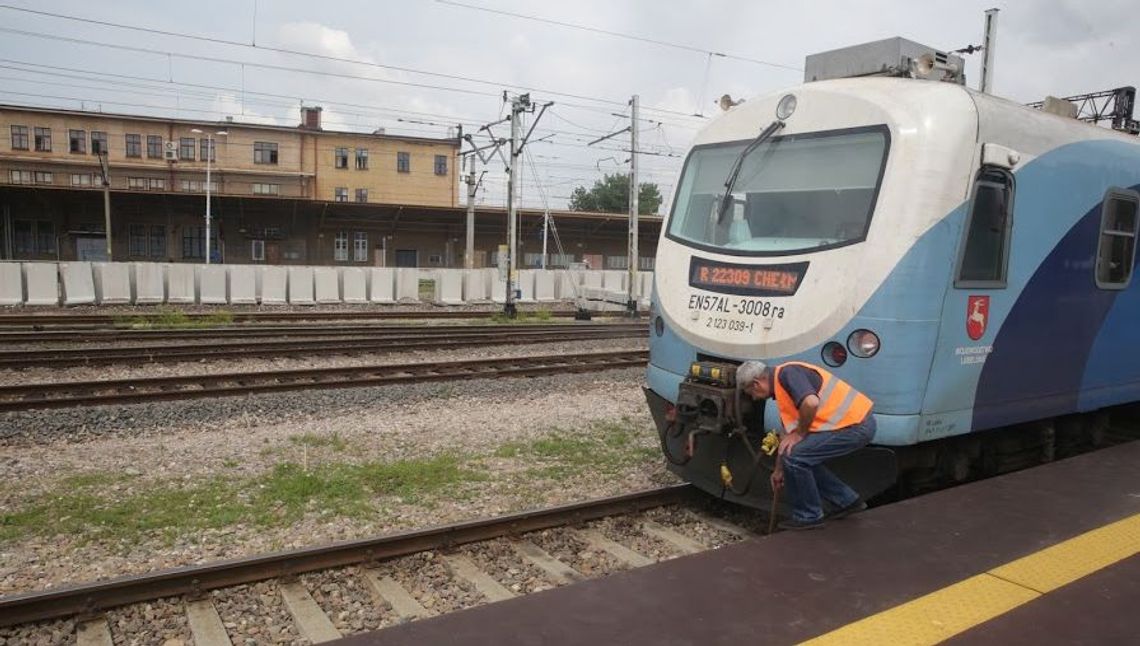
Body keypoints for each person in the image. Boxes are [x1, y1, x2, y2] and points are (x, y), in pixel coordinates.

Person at [736, 360, 876, 530]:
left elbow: (811, 403)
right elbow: (787, 433)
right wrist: (779, 469)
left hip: (856, 426)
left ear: (756, 384)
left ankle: (809, 516)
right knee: (797, 456)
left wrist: (800, 434)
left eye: (750, 392)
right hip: (850, 425)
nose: (753, 397)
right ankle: (846, 501)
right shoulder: (782, 388)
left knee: (796, 457)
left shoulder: (788, 374)